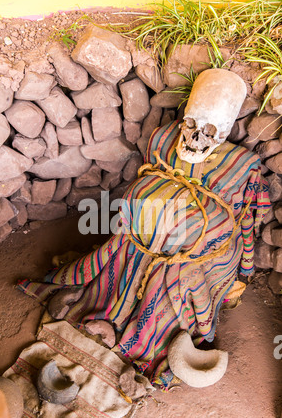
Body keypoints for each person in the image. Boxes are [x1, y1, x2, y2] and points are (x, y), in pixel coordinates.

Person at [18, 69, 271, 389]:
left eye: (208, 131)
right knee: (120, 252)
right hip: (133, 243)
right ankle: (109, 302)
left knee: (176, 280)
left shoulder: (244, 169)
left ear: (221, 133)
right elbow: (150, 169)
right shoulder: (165, 139)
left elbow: (248, 219)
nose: (194, 139)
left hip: (186, 262)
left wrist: (243, 270)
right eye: (191, 125)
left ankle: (148, 327)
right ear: (184, 121)